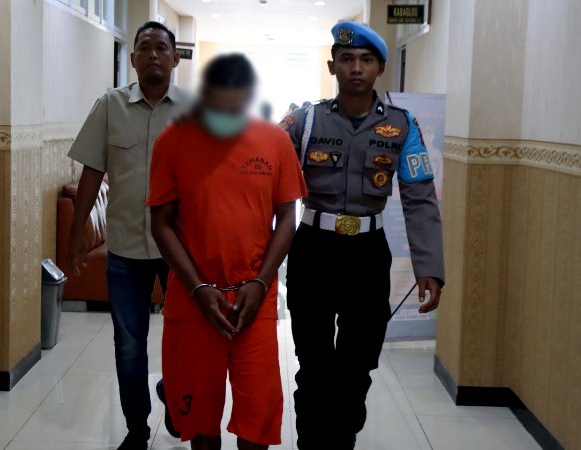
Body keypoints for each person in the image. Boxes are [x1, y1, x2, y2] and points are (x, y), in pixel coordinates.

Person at [278, 21, 445, 449]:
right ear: (332, 66)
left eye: (366, 60)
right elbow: (266, 183)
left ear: (380, 68)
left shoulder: (403, 127)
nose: (356, 68)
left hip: (367, 257)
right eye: (347, 59)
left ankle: (343, 434)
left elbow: (420, 199)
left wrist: (429, 267)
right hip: (313, 251)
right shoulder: (303, 121)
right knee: (314, 364)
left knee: (357, 365)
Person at [148, 53, 307, 450]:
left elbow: (288, 217)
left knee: (258, 418)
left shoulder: (275, 141)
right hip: (194, 300)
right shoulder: (173, 142)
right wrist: (198, 288)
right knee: (201, 423)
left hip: (254, 300)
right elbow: (161, 224)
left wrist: (261, 281)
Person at [66, 21, 191, 450]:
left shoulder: (195, 111)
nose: (153, 54)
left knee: (185, 339)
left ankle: (175, 397)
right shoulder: (110, 105)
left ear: (175, 59)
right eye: (145, 47)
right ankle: (136, 429)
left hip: (180, 251)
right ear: (133, 58)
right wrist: (76, 234)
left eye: (162, 48)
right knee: (129, 346)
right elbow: (91, 172)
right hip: (124, 250)